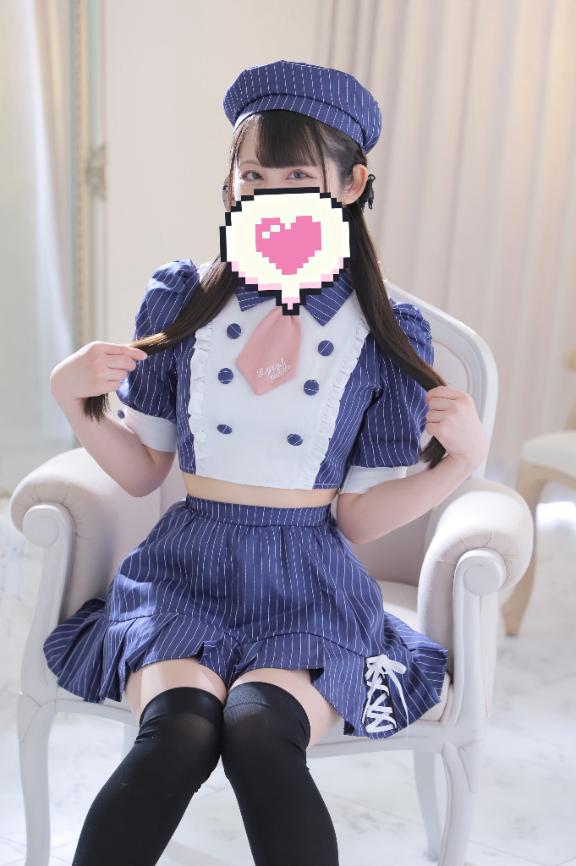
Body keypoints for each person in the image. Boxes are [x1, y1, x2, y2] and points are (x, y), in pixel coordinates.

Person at [45, 60, 489, 866]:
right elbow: (143, 472)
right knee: (176, 734)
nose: (273, 194)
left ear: (352, 184)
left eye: (297, 177)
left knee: (258, 733)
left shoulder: (384, 332)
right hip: (187, 568)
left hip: (307, 579)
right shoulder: (184, 297)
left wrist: (460, 464)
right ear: (230, 187)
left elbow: (358, 519)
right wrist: (73, 401)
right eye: (255, 176)